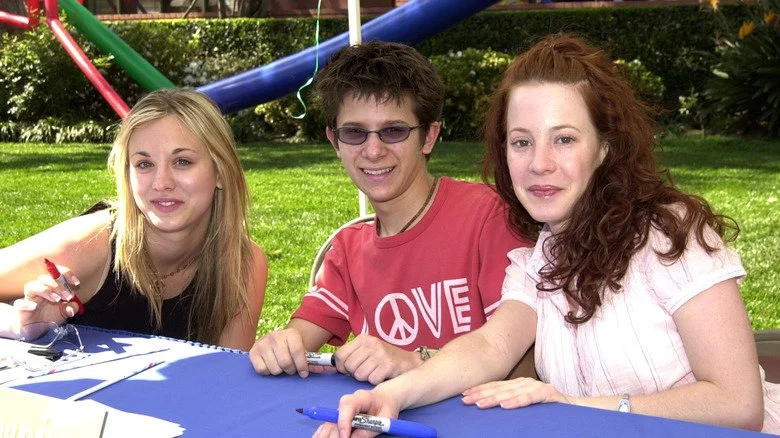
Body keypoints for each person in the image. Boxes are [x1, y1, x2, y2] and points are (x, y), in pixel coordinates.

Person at [320, 34, 780, 437]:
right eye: (521, 141)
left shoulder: (672, 236)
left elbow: (738, 405)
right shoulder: (541, 258)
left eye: (563, 139)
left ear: (605, 145)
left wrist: (574, 407)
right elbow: (490, 346)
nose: (538, 162)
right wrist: (394, 396)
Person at [249, 41, 534, 384]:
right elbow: (298, 338)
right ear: (334, 141)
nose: (373, 150)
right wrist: (281, 346)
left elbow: (527, 363)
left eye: (394, 131)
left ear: (428, 137)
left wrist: (415, 361)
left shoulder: (489, 217)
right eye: (354, 133)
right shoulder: (347, 250)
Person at [0, 89, 268, 351]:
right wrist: (21, 325)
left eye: (183, 161)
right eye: (144, 164)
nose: (162, 182)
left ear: (220, 172)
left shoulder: (243, 264)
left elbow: (225, 380)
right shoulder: (92, 245)